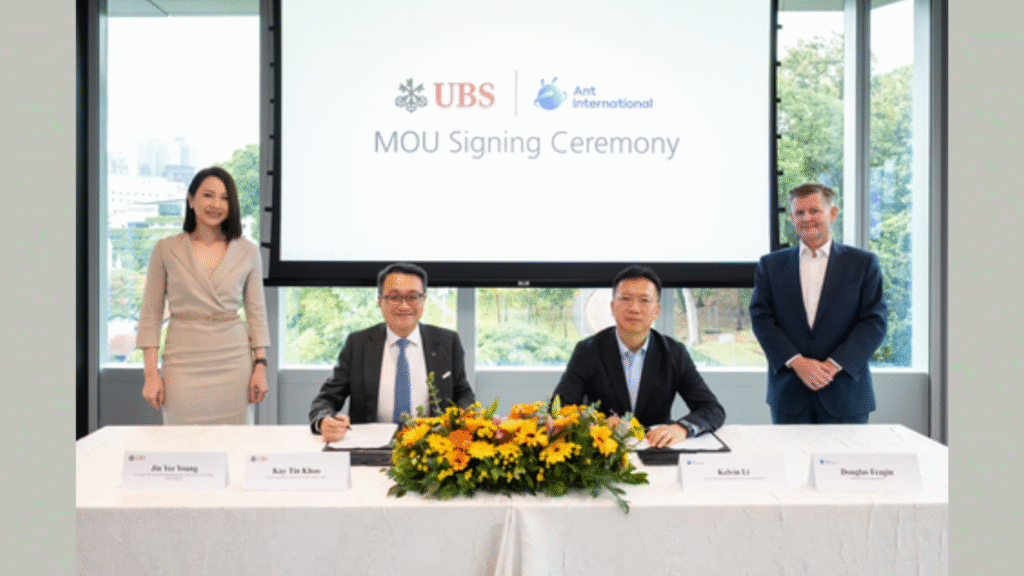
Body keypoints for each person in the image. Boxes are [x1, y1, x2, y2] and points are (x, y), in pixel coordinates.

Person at [137, 166, 270, 424]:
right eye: (208, 195)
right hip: (182, 361)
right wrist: (151, 374)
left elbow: (257, 313)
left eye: (224, 198)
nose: (216, 204)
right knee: (181, 442)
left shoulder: (248, 251)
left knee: (235, 441)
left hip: (234, 362)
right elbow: (150, 315)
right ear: (190, 199)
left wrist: (260, 366)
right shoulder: (165, 249)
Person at [750, 182, 887, 424]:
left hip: (845, 394)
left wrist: (832, 367)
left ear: (832, 214)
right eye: (800, 212)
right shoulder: (770, 265)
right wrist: (798, 363)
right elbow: (762, 319)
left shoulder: (863, 264)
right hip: (789, 394)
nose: (806, 218)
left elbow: (874, 322)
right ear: (792, 218)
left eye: (814, 211)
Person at [552, 265, 725, 448]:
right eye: (625, 299)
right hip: (604, 449)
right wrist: (597, 423)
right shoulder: (588, 351)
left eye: (644, 300)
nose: (634, 308)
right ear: (612, 307)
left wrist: (682, 428)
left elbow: (712, 409)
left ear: (656, 311)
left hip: (656, 448)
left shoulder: (674, 353)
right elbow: (559, 410)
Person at [309, 263, 476, 442]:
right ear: (380, 301)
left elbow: (463, 393)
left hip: (431, 447)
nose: (404, 306)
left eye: (412, 297)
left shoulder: (447, 342)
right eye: (394, 297)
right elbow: (327, 398)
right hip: (371, 445)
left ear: (423, 300)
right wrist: (323, 420)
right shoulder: (357, 344)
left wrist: (463, 418)